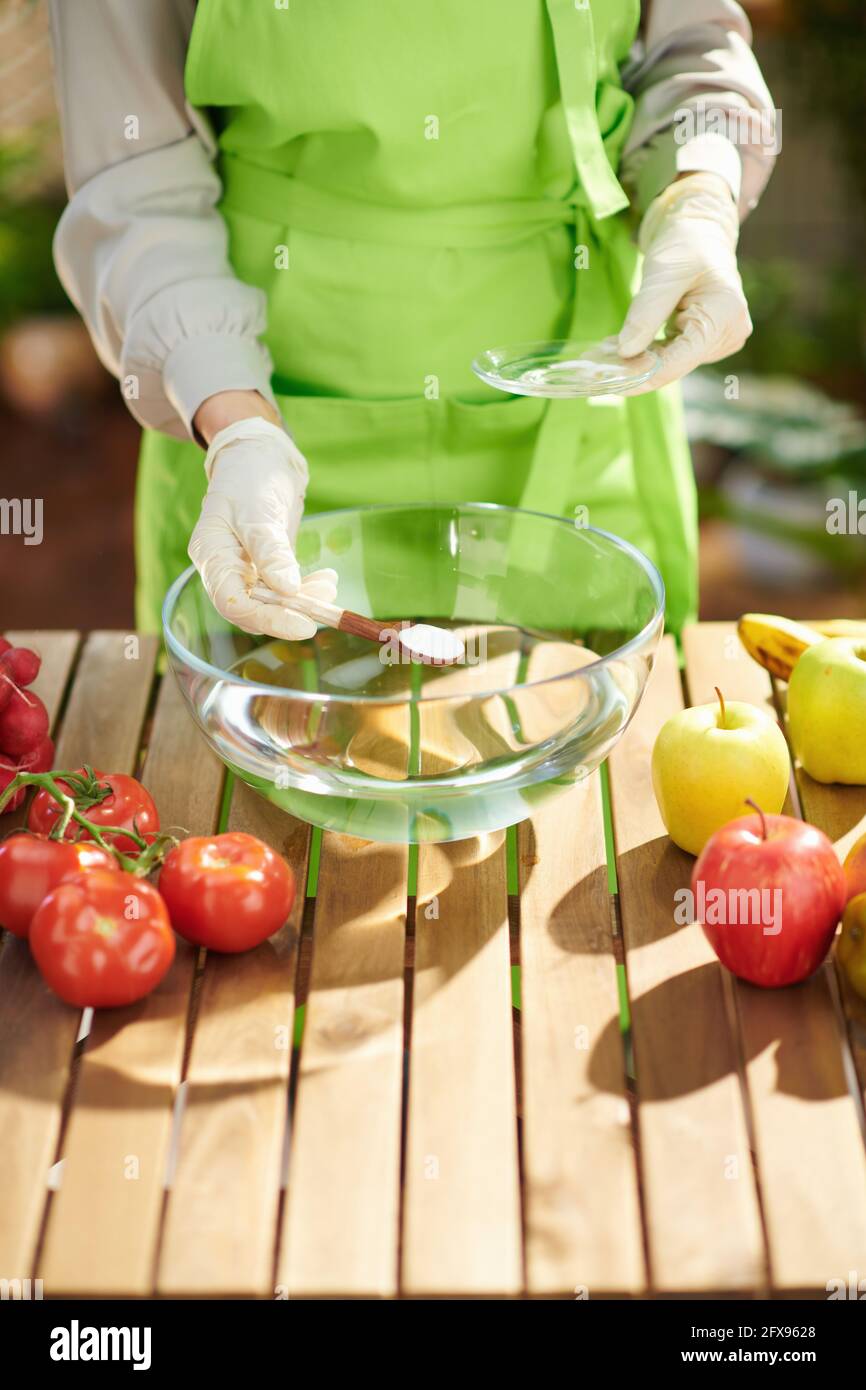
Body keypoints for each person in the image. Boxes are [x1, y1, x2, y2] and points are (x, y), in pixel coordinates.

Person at [48, 0, 776, 640]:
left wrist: (696, 192)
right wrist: (237, 428)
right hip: (259, 407)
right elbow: (136, 173)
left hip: (582, 403)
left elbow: (690, 48)